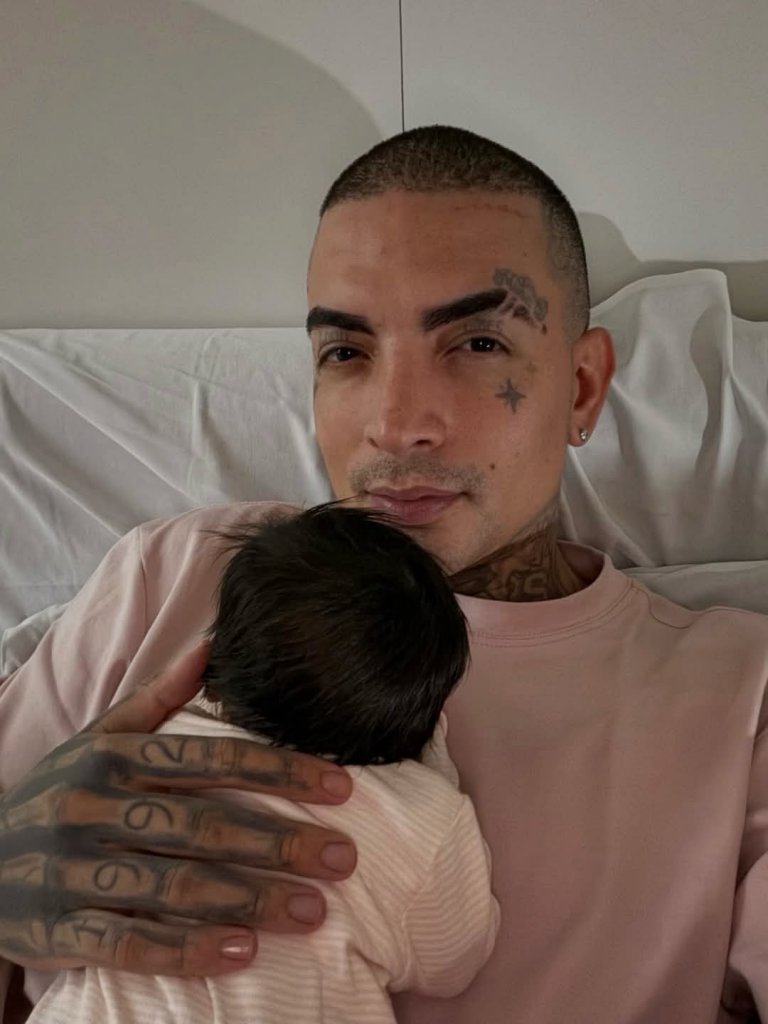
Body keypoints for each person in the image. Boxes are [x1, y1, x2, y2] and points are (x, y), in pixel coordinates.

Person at [1, 124, 768, 1024]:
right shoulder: (174, 576)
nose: (397, 424)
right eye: (347, 353)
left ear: (583, 386)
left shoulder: (737, 697)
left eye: (476, 343)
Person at [26, 503, 498, 1023]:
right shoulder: (421, 818)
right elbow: (452, 963)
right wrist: (435, 768)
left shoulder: (144, 747)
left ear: (211, 662)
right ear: (425, 719)